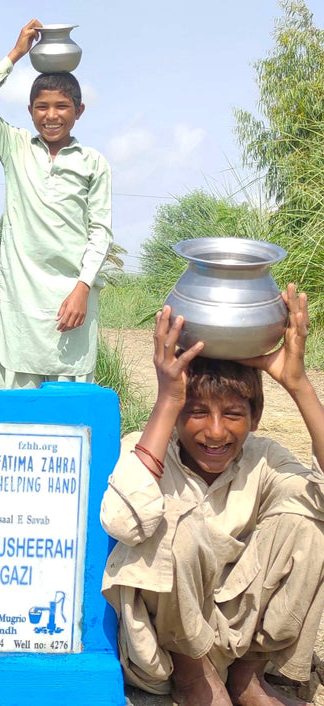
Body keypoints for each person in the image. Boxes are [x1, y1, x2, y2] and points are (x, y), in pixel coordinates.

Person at [100, 288, 324, 706]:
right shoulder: (148, 450)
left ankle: (246, 678)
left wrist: (298, 384)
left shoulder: (264, 460)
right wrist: (169, 397)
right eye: (198, 412)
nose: (216, 431)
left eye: (234, 414)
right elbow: (122, 522)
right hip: (166, 652)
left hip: (234, 637)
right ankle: (194, 678)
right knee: (178, 528)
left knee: (309, 524)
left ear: (255, 417)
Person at [0, 19, 113, 390]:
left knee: (69, 415)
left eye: (62, 106)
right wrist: (16, 54)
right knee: (17, 416)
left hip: (72, 306)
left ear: (79, 111)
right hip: (20, 307)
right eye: (42, 106)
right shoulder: (14, 147)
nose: (51, 115)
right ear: (30, 111)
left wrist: (83, 287)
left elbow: (101, 231)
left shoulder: (93, 161)